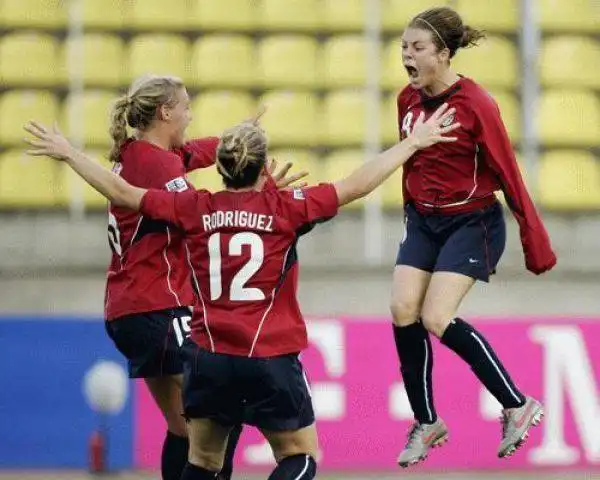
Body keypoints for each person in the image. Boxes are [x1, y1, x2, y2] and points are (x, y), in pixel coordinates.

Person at [24, 103, 459, 479]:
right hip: (269, 356)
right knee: (301, 457)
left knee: (203, 461)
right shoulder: (285, 208)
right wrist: (412, 143)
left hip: (208, 358)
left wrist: (69, 153)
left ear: (221, 167)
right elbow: (357, 184)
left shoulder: (194, 207)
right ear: (263, 166)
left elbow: (122, 191)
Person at [77, 74, 304, 480]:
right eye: (185, 107)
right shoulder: (158, 163)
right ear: (166, 112)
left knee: (184, 428)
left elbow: (197, 152)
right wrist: (261, 195)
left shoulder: (138, 153)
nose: (190, 115)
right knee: (220, 413)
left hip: (128, 309)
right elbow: (200, 217)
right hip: (159, 305)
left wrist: (236, 139)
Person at [389, 6, 556, 467]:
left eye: (417, 47)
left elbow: (508, 171)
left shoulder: (476, 103)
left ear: (443, 53)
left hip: (471, 222)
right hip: (423, 220)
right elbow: (412, 163)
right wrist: (410, 212)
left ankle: (517, 404)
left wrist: (534, 239)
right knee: (402, 309)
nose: (407, 55)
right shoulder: (406, 100)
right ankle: (427, 422)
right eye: (403, 47)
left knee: (435, 316)